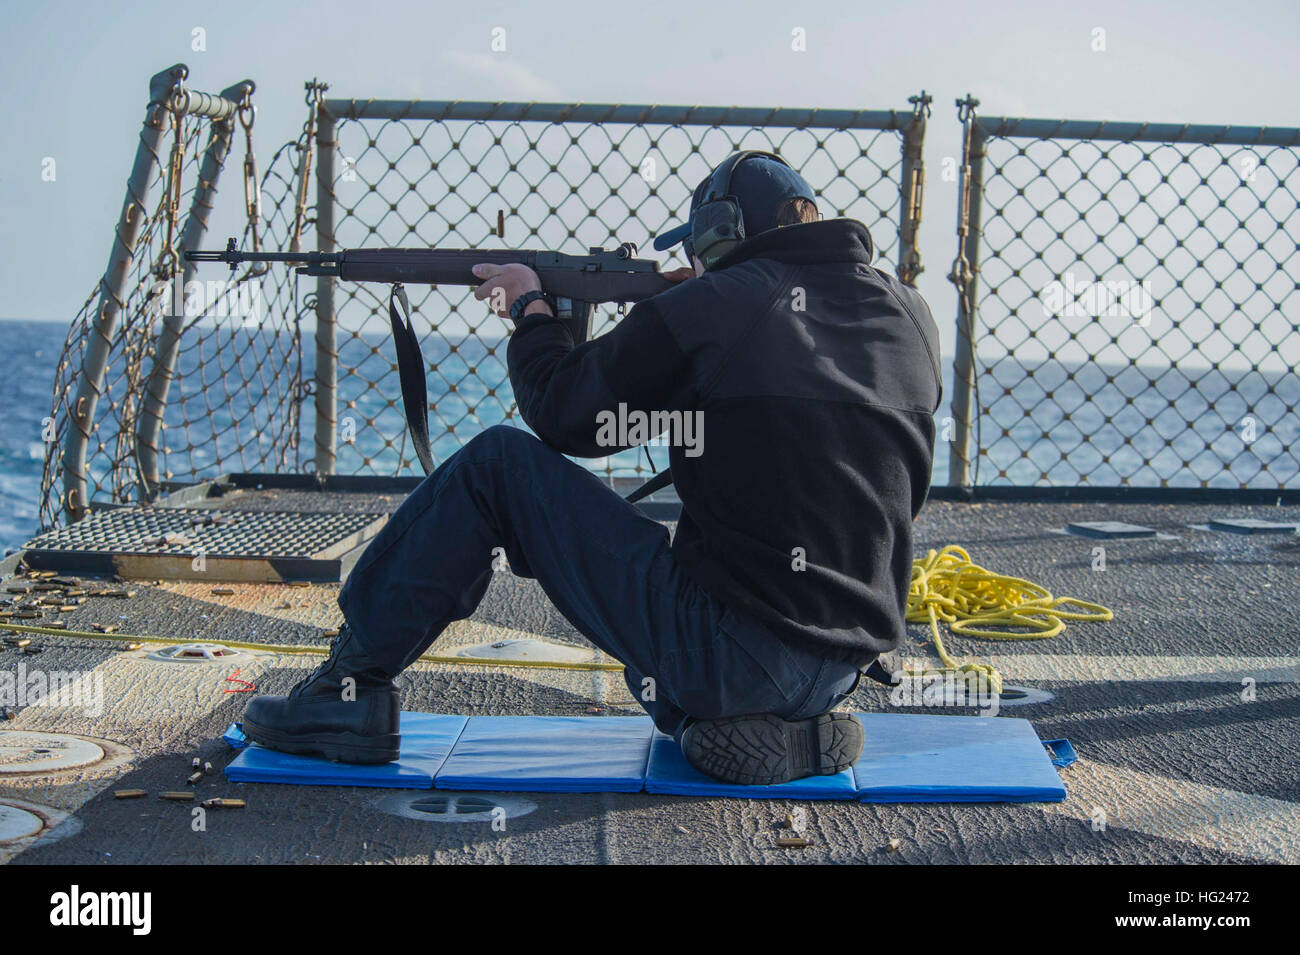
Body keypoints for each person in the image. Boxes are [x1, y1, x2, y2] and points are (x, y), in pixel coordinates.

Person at [242, 150, 942, 786]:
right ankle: (770, 720)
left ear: (716, 237)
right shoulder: (910, 315)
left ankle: (348, 692)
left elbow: (566, 414)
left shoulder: (718, 304)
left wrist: (532, 311)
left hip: (728, 655)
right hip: (846, 666)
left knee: (496, 465)